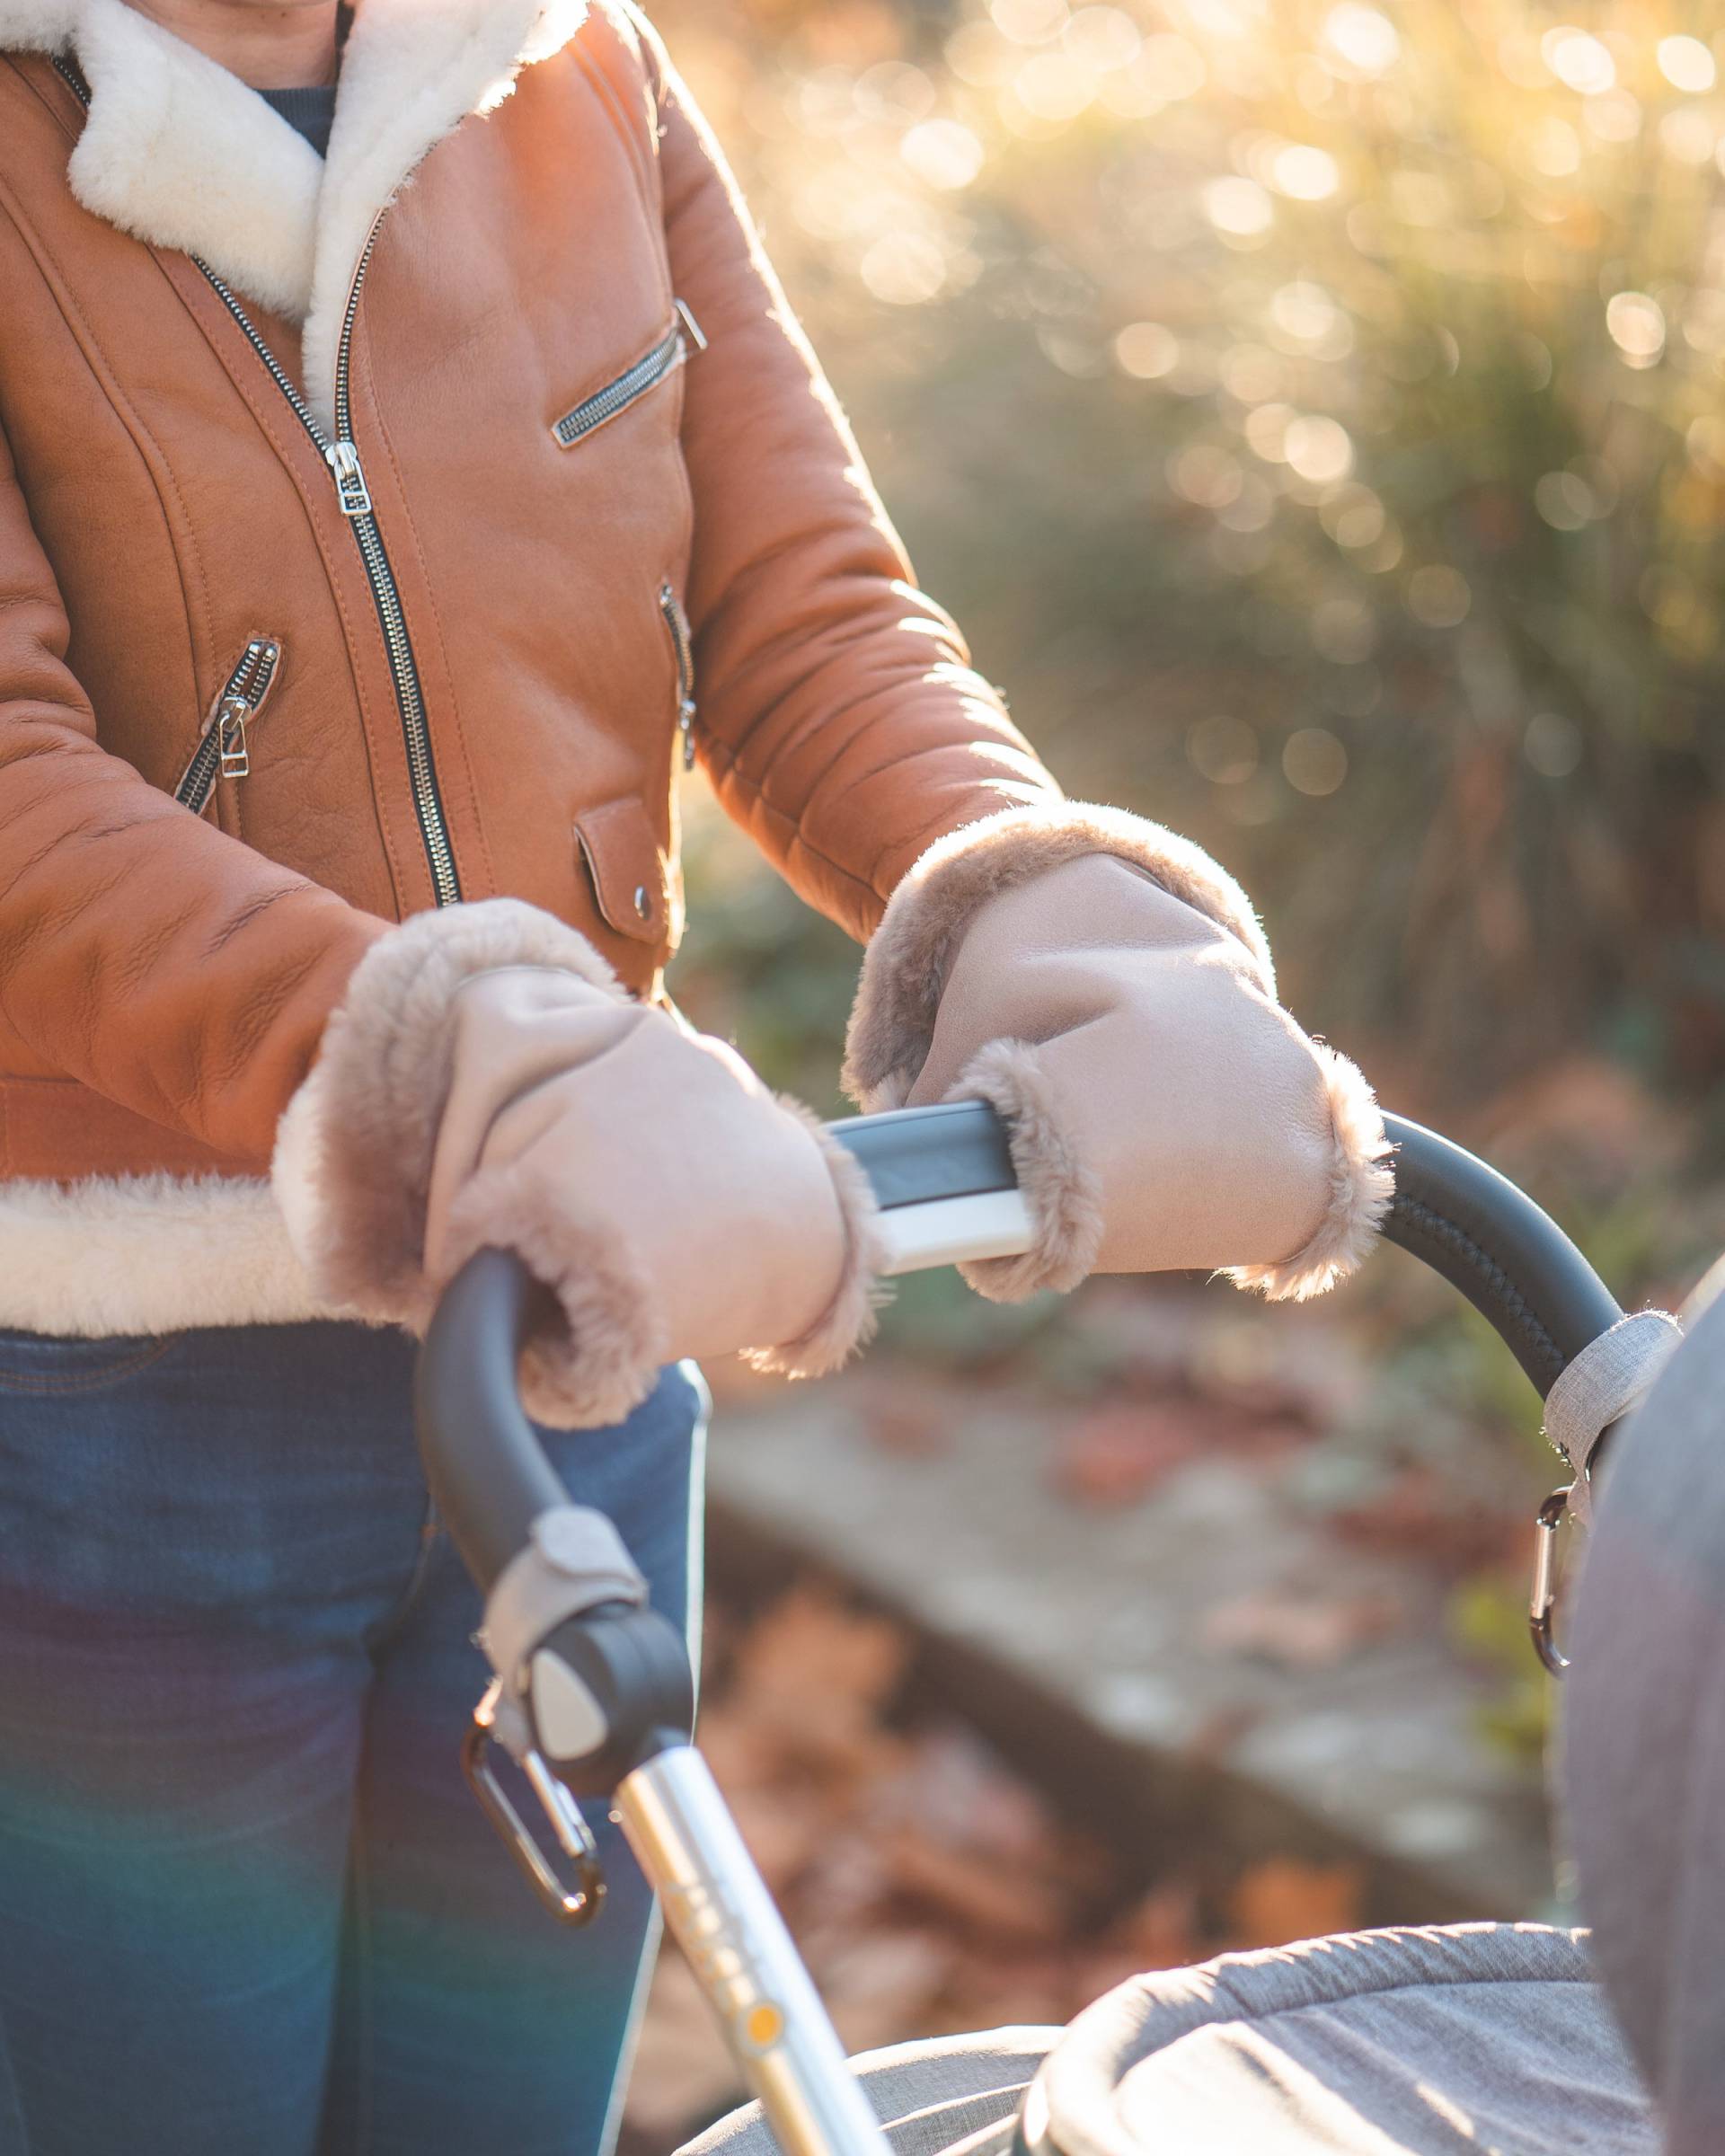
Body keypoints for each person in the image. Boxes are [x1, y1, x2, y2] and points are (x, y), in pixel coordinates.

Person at [0, 2, 1392, 2150]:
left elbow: (806, 616)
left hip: (567, 1352)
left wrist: (1042, 905)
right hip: (119, 1429)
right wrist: (437, 1045)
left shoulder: (575, 75)